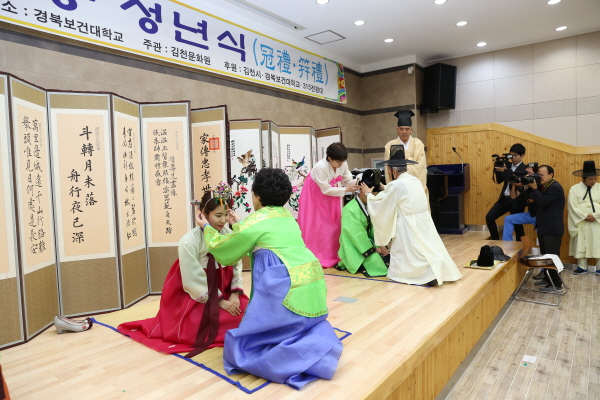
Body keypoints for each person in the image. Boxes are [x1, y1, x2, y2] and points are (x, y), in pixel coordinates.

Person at [197, 168, 342, 390]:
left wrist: (206, 227)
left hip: (287, 285)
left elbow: (224, 249)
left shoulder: (255, 221)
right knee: (302, 326)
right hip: (311, 279)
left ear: (256, 195)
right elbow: (264, 239)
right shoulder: (287, 217)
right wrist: (239, 225)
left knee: (242, 347)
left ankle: (294, 356)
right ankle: (315, 344)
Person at [118, 184, 249, 357]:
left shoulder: (227, 233)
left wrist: (234, 295)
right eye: (218, 215)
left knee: (247, 315)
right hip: (197, 294)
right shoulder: (189, 241)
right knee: (205, 324)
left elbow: (236, 263)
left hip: (224, 288)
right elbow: (193, 279)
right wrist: (220, 302)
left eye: (226, 214)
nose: (223, 220)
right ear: (203, 214)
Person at [363, 145, 462, 286]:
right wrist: (384, 187)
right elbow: (397, 192)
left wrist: (368, 194)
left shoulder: (396, 185)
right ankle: (437, 270)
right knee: (428, 248)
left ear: (393, 171)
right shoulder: (414, 180)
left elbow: (383, 203)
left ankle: (427, 274)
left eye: (389, 170)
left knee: (411, 253)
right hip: (423, 221)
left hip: (407, 224)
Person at [297, 142, 360, 268]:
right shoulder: (320, 167)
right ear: (330, 158)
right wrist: (346, 189)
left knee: (333, 223)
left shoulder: (342, 163)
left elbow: (347, 180)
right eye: (338, 161)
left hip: (333, 192)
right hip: (316, 194)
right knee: (318, 224)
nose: (341, 164)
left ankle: (333, 254)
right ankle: (316, 255)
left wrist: (358, 181)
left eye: (343, 161)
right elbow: (325, 189)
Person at [337, 169, 389, 277]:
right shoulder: (350, 210)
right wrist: (375, 249)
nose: (372, 199)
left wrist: (381, 244)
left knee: (391, 258)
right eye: (369, 195)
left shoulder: (370, 205)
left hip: (368, 243)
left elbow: (375, 227)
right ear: (361, 191)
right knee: (379, 265)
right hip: (355, 246)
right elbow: (356, 235)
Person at [527, 165, 566, 293]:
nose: (539, 177)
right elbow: (535, 201)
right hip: (544, 227)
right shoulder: (545, 186)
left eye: (542, 175)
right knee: (545, 257)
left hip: (552, 229)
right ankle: (547, 279)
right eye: (538, 174)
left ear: (551, 175)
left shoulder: (555, 188)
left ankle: (556, 285)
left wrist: (535, 189)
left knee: (551, 257)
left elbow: (543, 202)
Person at [486, 143, 527, 241]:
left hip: (517, 200)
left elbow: (515, 181)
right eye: (511, 155)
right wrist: (497, 170)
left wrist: (505, 171)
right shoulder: (507, 165)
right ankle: (495, 241)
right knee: (489, 217)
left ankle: (520, 248)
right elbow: (499, 180)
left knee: (518, 226)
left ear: (522, 155)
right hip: (504, 199)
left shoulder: (525, 168)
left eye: (515, 155)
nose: (513, 158)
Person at [384, 110, 428, 196]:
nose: (404, 132)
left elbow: (420, 167)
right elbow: (388, 170)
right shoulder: (389, 146)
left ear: (411, 130)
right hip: (398, 189)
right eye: (401, 129)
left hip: (416, 188)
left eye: (407, 129)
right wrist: (410, 161)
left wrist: (401, 164)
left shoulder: (418, 144)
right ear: (397, 130)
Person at [568, 161, 600, 275]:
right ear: (584, 178)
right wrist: (583, 216)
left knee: (598, 241)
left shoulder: (599, 187)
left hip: (597, 221)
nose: (593, 181)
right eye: (591, 179)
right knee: (581, 241)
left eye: (595, 178)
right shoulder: (574, 189)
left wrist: (596, 216)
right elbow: (572, 206)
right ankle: (582, 266)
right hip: (581, 221)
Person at [502, 163, 539, 241]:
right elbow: (513, 197)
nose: (527, 175)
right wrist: (513, 184)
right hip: (531, 214)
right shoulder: (525, 184)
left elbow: (532, 199)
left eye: (529, 173)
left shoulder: (539, 185)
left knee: (543, 238)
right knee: (508, 219)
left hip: (540, 217)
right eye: (525, 173)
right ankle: (506, 244)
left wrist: (526, 186)